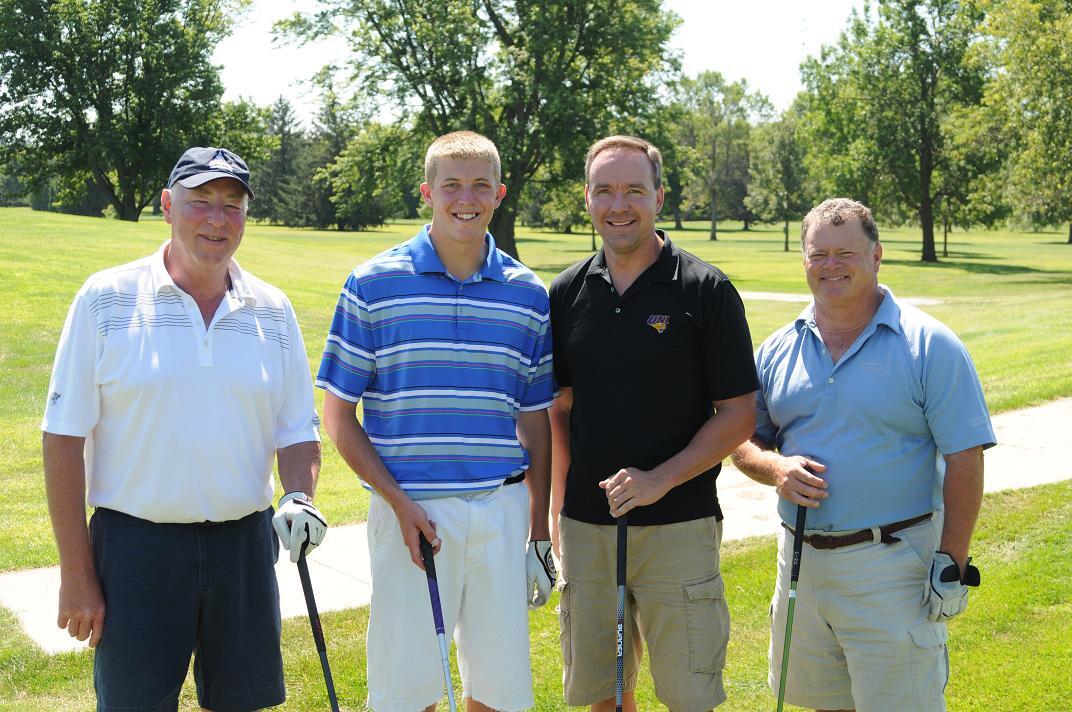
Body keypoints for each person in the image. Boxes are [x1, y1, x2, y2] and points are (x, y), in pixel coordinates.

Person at [41, 146, 327, 711]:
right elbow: (62, 438)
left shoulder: (273, 308)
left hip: (246, 547)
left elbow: (297, 430)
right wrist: (76, 572)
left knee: (242, 704)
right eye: (200, 202)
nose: (216, 220)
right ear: (169, 205)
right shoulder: (106, 299)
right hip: (135, 549)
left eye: (232, 205)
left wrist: (299, 496)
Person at [317, 130, 555, 712]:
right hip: (411, 512)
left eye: (479, 186)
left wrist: (541, 532)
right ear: (427, 191)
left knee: (499, 691)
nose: (465, 198)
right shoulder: (372, 284)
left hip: (500, 510)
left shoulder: (527, 294)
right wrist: (398, 503)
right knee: (408, 692)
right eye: (451, 184)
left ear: (499, 194)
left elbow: (536, 423)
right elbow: (338, 416)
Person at [731, 197, 996, 712]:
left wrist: (953, 562)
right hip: (800, 563)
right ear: (804, 260)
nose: (831, 266)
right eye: (818, 254)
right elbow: (742, 439)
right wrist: (775, 468)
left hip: (894, 562)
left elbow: (966, 456)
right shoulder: (778, 348)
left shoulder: (929, 345)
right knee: (823, 704)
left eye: (846, 252)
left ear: (876, 256)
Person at [549, 135, 759, 712]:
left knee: (690, 695)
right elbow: (559, 408)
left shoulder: (704, 290)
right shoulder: (566, 293)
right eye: (605, 190)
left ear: (659, 197)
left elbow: (739, 414)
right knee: (604, 696)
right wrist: (556, 509)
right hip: (589, 529)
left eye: (634, 190)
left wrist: (659, 479)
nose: (620, 204)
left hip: (680, 527)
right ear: (587, 199)